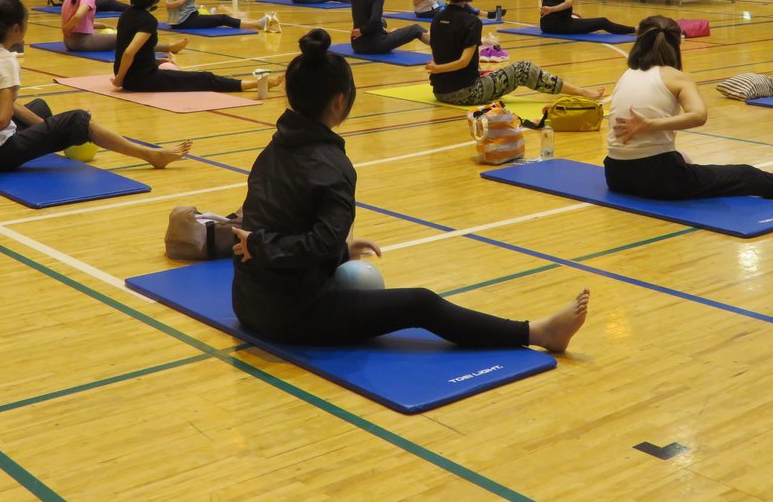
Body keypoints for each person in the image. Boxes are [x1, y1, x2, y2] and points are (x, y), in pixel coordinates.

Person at [229, 27, 590, 350]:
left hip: (248, 304)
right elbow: (298, 242)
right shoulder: (332, 166)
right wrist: (288, 246)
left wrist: (336, 248)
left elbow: (281, 226)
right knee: (421, 303)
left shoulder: (272, 150)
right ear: (340, 101)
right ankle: (538, 333)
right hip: (291, 316)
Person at [605, 16, 773, 200]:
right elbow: (699, 116)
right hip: (657, 179)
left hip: (616, 175)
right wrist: (651, 125)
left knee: (683, 157)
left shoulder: (627, 74)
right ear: (676, 46)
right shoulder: (677, 77)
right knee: (745, 174)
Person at [0, 0, 193, 172]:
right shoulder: (5, 60)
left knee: (40, 107)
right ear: (17, 28)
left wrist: (51, 130)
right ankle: (151, 155)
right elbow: (2, 120)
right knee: (77, 119)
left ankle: (62, 134)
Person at [428, 0, 603, 105]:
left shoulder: (437, 18)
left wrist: (439, 69)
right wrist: (438, 69)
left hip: (440, 92)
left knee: (493, 73)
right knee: (523, 69)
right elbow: (463, 62)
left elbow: (447, 54)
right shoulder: (471, 21)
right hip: (467, 93)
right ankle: (582, 92)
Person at [114, 0, 280, 95]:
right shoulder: (148, 20)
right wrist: (119, 79)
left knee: (170, 67)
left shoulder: (126, 14)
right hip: (139, 80)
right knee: (204, 78)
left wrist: (155, 61)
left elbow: (132, 49)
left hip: (133, 75)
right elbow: (129, 52)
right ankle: (254, 84)